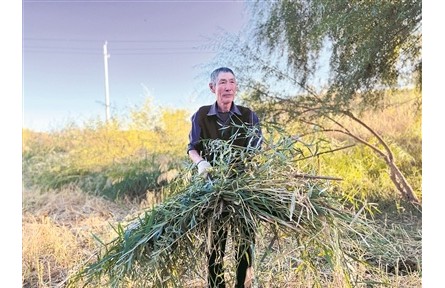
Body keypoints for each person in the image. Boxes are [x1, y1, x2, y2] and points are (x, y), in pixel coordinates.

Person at [187, 67, 262, 288]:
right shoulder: (201, 115)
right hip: (213, 189)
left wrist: (245, 169)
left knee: (245, 244)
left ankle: (242, 284)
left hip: (242, 189)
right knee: (215, 246)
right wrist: (201, 163)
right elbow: (192, 148)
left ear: (236, 87)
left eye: (231, 82)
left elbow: (256, 148)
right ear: (213, 87)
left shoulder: (248, 115)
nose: (227, 87)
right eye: (222, 82)